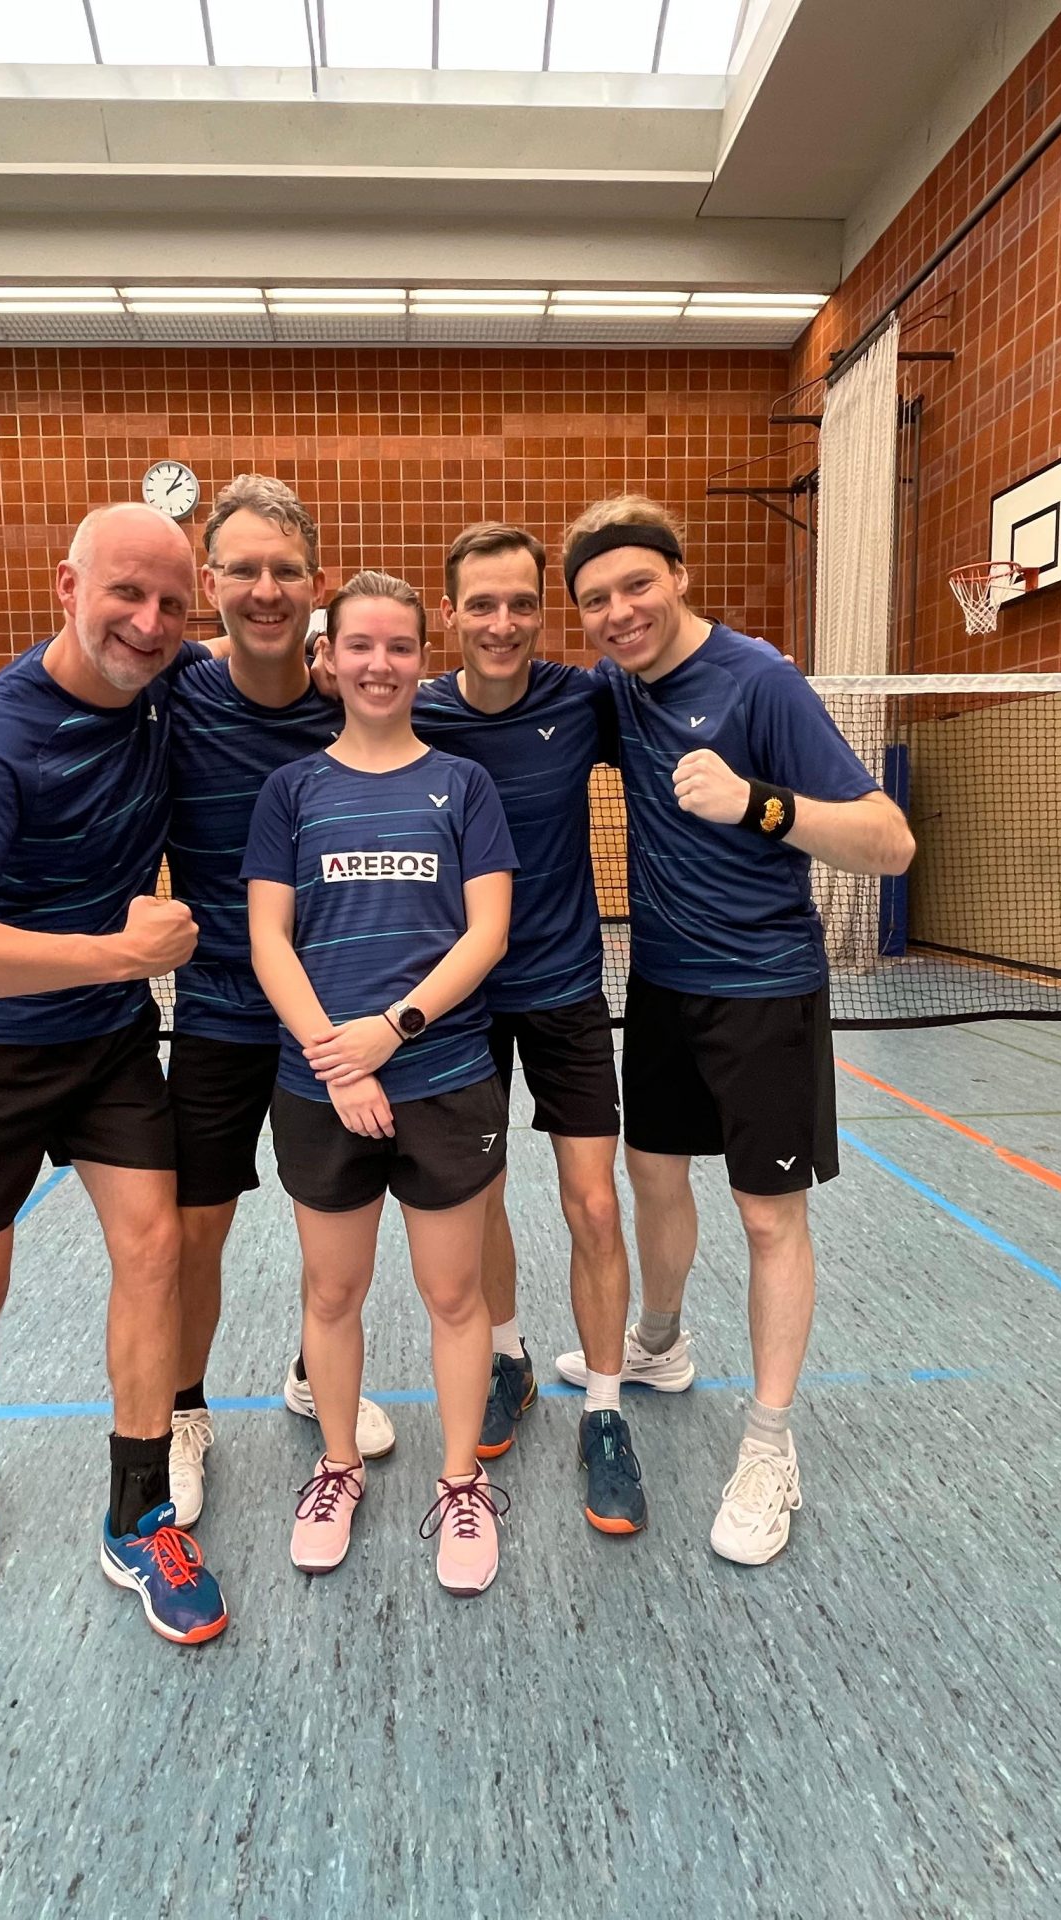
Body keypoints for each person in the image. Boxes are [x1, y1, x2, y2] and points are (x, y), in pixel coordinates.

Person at [0, 501, 228, 1645]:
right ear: (67, 589)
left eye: (171, 603)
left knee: (155, 1250)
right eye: (126, 594)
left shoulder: (172, 686)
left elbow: (261, 655)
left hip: (107, 1045)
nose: (149, 622)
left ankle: (138, 1515)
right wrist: (116, 954)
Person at [559, 495, 915, 1566]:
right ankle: (660, 1345)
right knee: (652, 1178)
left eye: (637, 584)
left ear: (678, 575)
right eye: (595, 599)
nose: (620, 612)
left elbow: (889, 842)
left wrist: (761, 805)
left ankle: (768, 1445)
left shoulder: (761, 681)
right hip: (662, 986)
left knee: (768, 1218)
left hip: (764, 991)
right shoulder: (615, 691)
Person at [244, 571, 518, 1594]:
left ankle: (461, 1483)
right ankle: (337, 1468)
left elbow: (486, 933)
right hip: (319, 1088)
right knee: (332, 1291)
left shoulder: (464, 786)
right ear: (326, 657)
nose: (378, 664)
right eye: (358, 645)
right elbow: (269, 940)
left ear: (421, 659)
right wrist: (336, 1058)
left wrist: (390, 1033)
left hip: (444, 1078)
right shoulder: (292, 792)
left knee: (454, 1295)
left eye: (399, 646)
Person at [162, 475, 396, 1527]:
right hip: (218, 1012)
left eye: (286, 571)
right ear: (209, 580)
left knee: (333, 1228)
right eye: (244, 570)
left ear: (316, 584)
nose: (266, 590)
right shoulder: (173, 693)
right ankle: (182, 1410)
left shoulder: (351, 703)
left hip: (331, 1025)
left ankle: (314, 1372)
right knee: (194, 1231)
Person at [411, 522, 644, 1535]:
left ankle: (605, 1410)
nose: (502, 623)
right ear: (449, 613)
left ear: (542, 612)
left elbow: (679, 687)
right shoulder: (415, 710)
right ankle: (508, 1357)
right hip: (460, 1000)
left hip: (564, 990)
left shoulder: (582, 700)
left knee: (593, 1204)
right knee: (482, 1198)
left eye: (520, 604)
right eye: (482, 604)